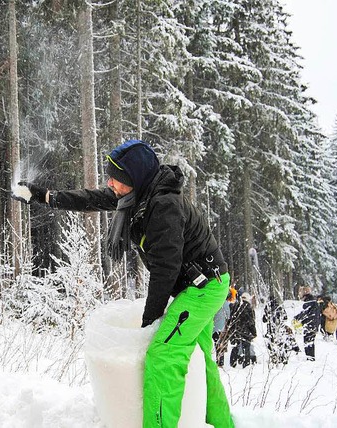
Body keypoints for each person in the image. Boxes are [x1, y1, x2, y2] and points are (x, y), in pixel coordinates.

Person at [13, 140, 234, 428]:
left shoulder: (163, 206)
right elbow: (91, 198)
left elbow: (165, 270)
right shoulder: (138, 196)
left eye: (116, 178)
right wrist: (45, 197)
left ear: (135, 179)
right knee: (200, 360)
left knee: (162, 356)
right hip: (200, 284)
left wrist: (149, 320)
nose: (110, 183)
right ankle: (221, 424)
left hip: (203, 287)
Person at [227, 293, 257, 368]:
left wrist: (231, 329)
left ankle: (232, 363)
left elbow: (231, 318)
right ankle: (246, 364)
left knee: (235, 346)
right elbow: (251, 322)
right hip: (246, 332)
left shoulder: (235, 306)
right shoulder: (249, 308)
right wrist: (254, 332)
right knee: (246, 348)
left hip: (235, 330)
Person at [294, 286, 320, 361]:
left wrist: (297, 318)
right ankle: (311, 357)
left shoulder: (309, 302)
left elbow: (305, 313)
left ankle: (310, 358)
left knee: (307, 342)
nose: (300, 294)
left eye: (300, 292)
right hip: (314, 325)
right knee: (310, 341)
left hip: (309, 325)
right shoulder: (314, 302)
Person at [262, 293, 289, 365]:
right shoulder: (280, 307)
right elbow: (285, 317)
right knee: (281, 343)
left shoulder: (268, 308)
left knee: (271, 344)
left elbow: (264, 320)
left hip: (271, 329)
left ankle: (274, 358)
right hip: (280, 328)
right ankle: (283, 358)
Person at [213, 289, 233, 366]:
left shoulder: (215, 302)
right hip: (222, 328)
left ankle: (216, 360)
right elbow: (228, 316)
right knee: (220, 345)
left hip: (213, 327)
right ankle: (220, 362)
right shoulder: (226, 304)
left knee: (215, 344)